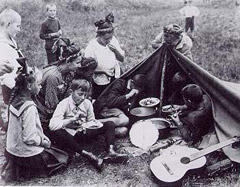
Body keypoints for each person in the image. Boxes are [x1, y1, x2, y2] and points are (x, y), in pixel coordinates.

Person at [1, 62, 68, 181]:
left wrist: (41, 135)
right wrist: (43, 141)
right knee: (64, 157)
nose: (41, 86)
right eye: (38, 84)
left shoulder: (15, 99)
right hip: (25, 154)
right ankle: (26, 168)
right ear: (29, 86)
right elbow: (29, 137)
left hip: (12, 150)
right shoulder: (29, 107)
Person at [49, 79, 128, 171]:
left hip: (84, 131)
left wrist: (90, 124)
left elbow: (91, 120)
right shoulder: (63, 104)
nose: (83, 98)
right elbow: (52, 125)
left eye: (85, 95)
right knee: (57, 132)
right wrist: (72, 119)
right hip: (72, 136)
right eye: (80, 94)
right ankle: (88, 155)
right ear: (71, 92)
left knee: (109, 124)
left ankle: (111, 151)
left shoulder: (87, 103)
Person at [35, 52, 82, 134]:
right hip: (42, 111)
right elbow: (51, 104)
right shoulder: (53, 77)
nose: (80, 65)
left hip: (55, 108)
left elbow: (67, 94)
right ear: (68, 61)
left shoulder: (69, 73)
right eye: (77, 63)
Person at [84, 13, 125, 99]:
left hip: (115, 75)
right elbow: (86, 70)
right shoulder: (92, 47)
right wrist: (103, 72)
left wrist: (115, 50)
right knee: (103, 100)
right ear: (99, 36)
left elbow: (122, 59)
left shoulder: (113, 40)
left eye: (111, 38)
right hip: (101, 81)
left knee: (116, 96)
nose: (109, 41)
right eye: (106, 39)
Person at [0, 9, 23, 105]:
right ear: (8, 24)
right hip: (10, 87)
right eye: (17, 26)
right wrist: (16, 87)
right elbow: (4, 75)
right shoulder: (2, 45)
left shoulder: (11, 40)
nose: (19, 29)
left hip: (18, 82)